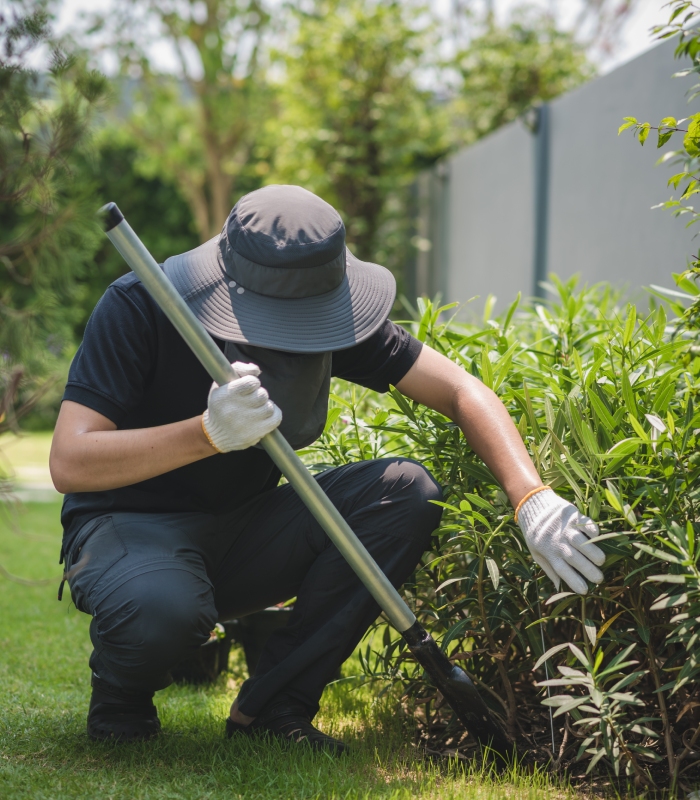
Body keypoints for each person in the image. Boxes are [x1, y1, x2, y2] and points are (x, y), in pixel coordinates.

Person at [49, 185, 606, 752]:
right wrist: (205, 434)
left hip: (245, 530)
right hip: (130, 529)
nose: (298, 334)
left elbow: (462, 391)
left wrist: (530, 495)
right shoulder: (141, 306)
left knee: (405, 492)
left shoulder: (323, 318)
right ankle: (122, 694)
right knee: (160, 612)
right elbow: (70, 460)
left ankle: (272, 708)